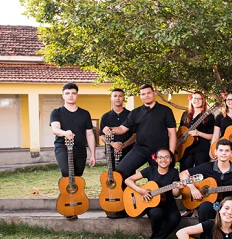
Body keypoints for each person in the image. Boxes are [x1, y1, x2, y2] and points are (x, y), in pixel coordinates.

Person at [102, 84, 177, 179]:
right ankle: (128, 193)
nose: (146, 96)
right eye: (143, 94)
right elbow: (122, 129)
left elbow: (172, 134)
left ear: (154, 93)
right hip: (140, 149)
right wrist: (109, 129)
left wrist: (170, 154)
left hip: (159, 151)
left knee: (160, 181)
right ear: (140, 96)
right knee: (120, 172)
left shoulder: (165, 111)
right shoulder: (135, 113)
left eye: (148, 93)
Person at [124, 148, 184, 239]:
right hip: (151, 203)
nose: (163, 160)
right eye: (160, 157)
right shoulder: (149, 170)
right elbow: (128, 180)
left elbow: (175, 194)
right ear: (156, 159)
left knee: (175, 218)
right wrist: (140, 190)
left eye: (166, 157)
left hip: (169, 202)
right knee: (157, 213)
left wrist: (179, 188)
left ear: (171, 160)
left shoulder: (174, 172)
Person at [50, 82, 96, 220]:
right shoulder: (57, 112)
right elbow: (55, 129)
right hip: (63, 147)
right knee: (67, 172)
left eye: (73, 93)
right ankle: (66, 205)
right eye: (67, 93)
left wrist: (93, 154)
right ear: (63, 95)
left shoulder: (85, 113)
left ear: (77, 95)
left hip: (80, 149)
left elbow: (89, 134)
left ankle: (74, 204)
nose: (70, 96)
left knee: (77, 178)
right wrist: (65, 133)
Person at [179, 139, 232, 222]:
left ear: (231, 153)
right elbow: (183, 174)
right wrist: (192, 188)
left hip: (228, 206)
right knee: (205, 207)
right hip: (210, 204)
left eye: (227, 151)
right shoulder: (207, 167)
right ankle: (205, 233)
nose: (223, 153)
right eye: (221, 150)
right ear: (215, 152)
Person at [100, 88, 136, 219]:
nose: (117, 98)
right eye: (115, 96)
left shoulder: (131, 115)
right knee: (113, 180)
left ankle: (129, 207)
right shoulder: (105, 117)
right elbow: (102, 136)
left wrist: (124, 144)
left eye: (120, 96)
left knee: (128, 180)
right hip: (111, 152)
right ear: (111, 98)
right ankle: (115, 206)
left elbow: (135, 135)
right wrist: (113, 144)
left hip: (129, 151)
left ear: (123, 98)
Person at [178, 91, 214, 171]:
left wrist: (199, 133)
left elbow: (212, 136)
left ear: (203, 101)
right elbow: (180, 131)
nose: (196, 101)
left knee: (201, 173)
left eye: (199, 99)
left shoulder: (209, 116)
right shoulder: (185, 114)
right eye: (194, 98)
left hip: (201, 150)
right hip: (186, 150)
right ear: (191, 100)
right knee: (184, 172)